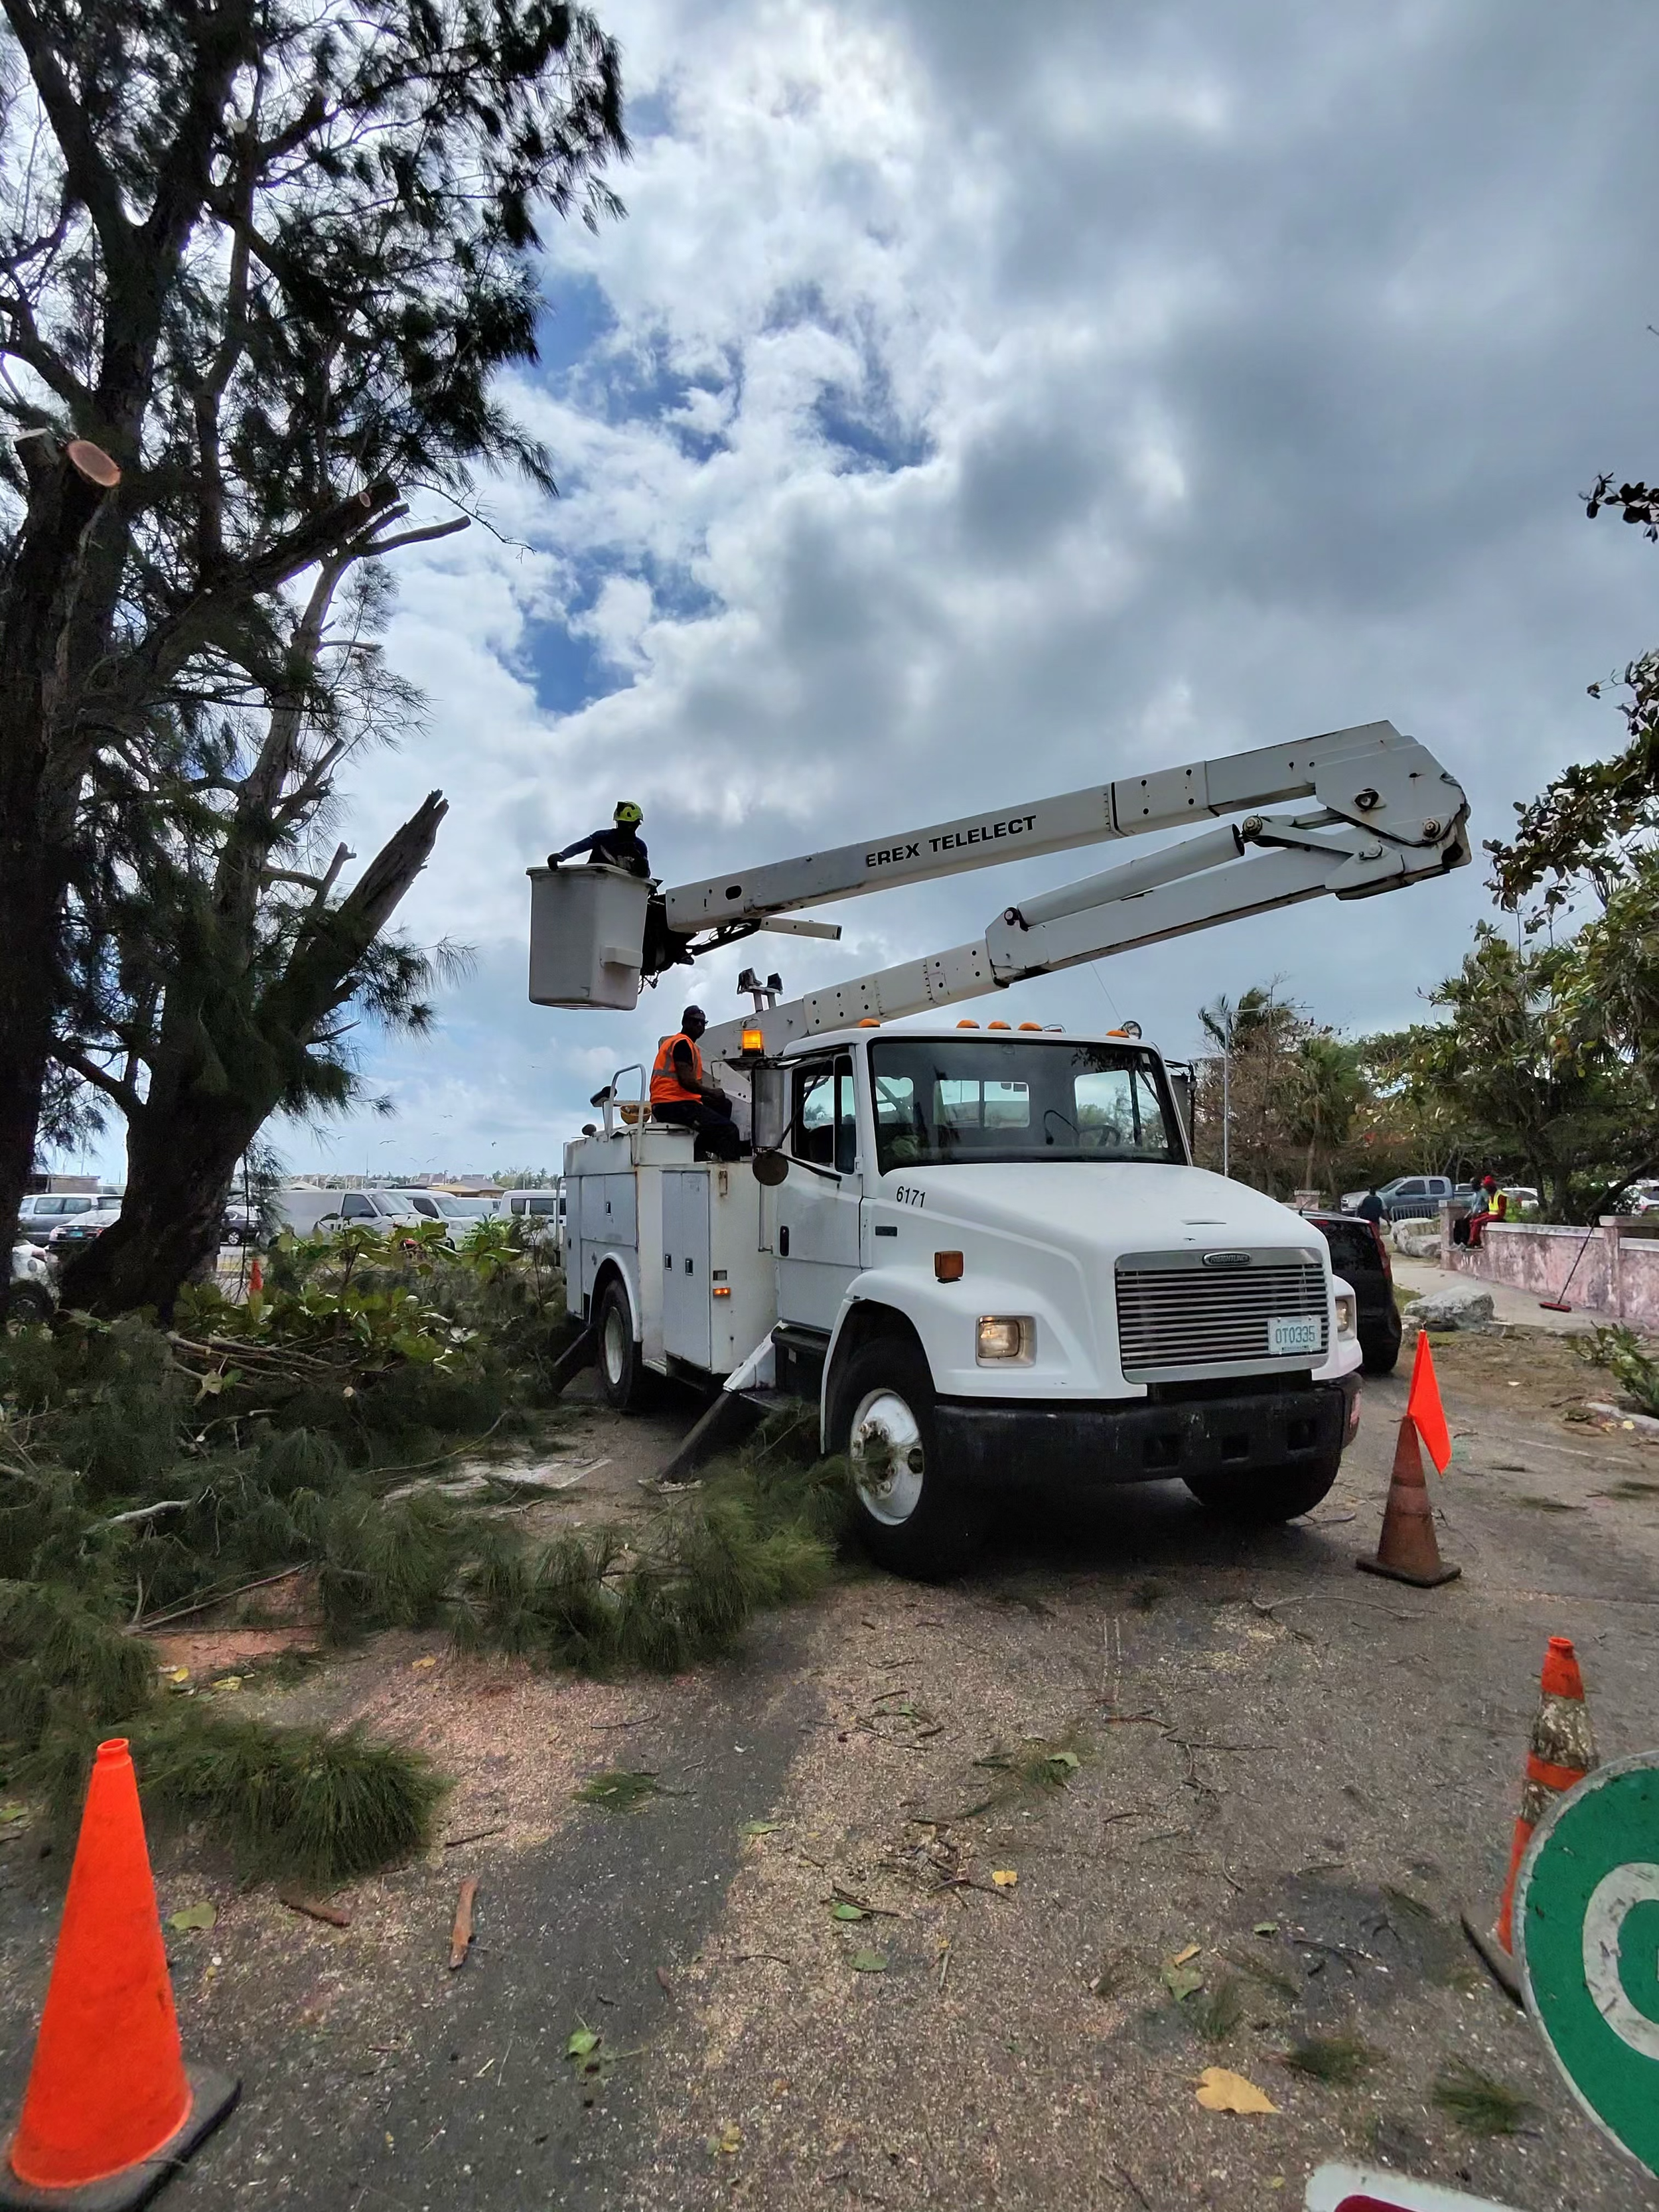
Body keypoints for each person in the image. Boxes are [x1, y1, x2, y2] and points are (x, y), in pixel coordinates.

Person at [650, 1005, 741, 1161]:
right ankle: (728, 1168)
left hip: (676, 1101)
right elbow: (687, 1082)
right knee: (728, 1131)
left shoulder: (685, 1044)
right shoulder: (682, 1044)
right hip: (672, 1104)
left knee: (724, 1104)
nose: (699, 1025)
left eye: (702, 1023)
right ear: (684, 1022)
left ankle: (700, 1148)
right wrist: (711, 1092)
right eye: (695, 1022)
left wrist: (712, 1096)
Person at [549, 801, 650, 877]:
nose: (629, 829)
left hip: (620, 889)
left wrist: (638, 858)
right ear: (619, 823)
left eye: (633, 825)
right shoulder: (603, 837)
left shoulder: (639, 846)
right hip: (595, 883)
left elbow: (645, 874)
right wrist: (562, 855)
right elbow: (580, 846)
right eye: (626, 825)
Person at [1466, 1173, 1508, 1249]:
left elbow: (1501, 1212)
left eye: (1487, 1188)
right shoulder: (1491, 1195)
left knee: (1477, 1222)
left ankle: (1473, 1242)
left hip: (1497, 1215)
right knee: (1473, 1221)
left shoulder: (1500, 1196)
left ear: (1491, 1188)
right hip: (1490, 1214)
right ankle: (1477, 1241)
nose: (1486, 1190)